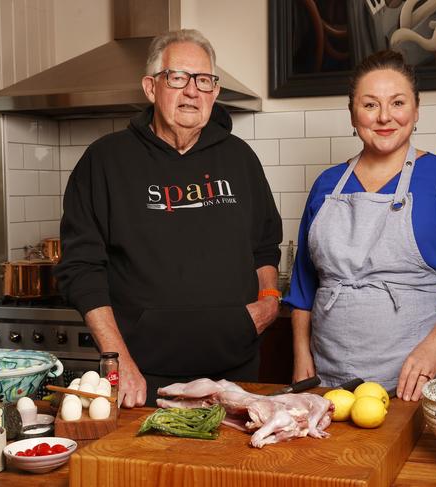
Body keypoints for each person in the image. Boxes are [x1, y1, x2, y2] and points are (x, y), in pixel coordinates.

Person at [55, 29, 282, 408]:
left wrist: (270, 302)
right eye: (178, 77)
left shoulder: (241, 159)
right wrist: (119, 362)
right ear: (151, 87)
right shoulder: (104, 161)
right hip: (142, 377)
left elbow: (264, 246)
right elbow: (81, 270)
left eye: (204, 80)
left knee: (234, 466)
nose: (192, 91)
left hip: (235, 371)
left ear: (214, 92)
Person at [283, 50, 436, 402]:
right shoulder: (327, 184)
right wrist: (301, 356)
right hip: (329, 381)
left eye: (397, 103)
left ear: (416, 109)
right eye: (370, 105)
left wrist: (433, 351)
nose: (384, 117)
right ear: (352, 113)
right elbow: (304, 286)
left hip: (415, 383)